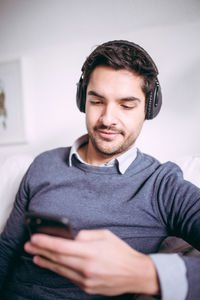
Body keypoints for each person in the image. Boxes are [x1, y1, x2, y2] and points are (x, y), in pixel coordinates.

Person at [0, 40, 200, 300]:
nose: (107, 119)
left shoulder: (163, 184)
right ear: (83, 99)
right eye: (97, 101)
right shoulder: (44, 164)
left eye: (126, 106)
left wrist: (146, 273)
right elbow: (6, 249)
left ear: (148, 109)